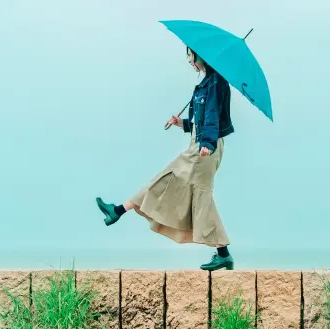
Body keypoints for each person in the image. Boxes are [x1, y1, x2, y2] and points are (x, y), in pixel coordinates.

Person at [95, 47, 235, 271]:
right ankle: (119, 210)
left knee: (200, 196)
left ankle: (119, 210)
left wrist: (207, 144)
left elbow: (212, 117)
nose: (190, 61)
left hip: (205, 147)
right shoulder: (205, 83)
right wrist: (182, 123)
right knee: (175, 184)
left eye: (192, 56)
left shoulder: (216, 82)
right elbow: (200, 120)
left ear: (202, 56)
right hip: (198, 143)